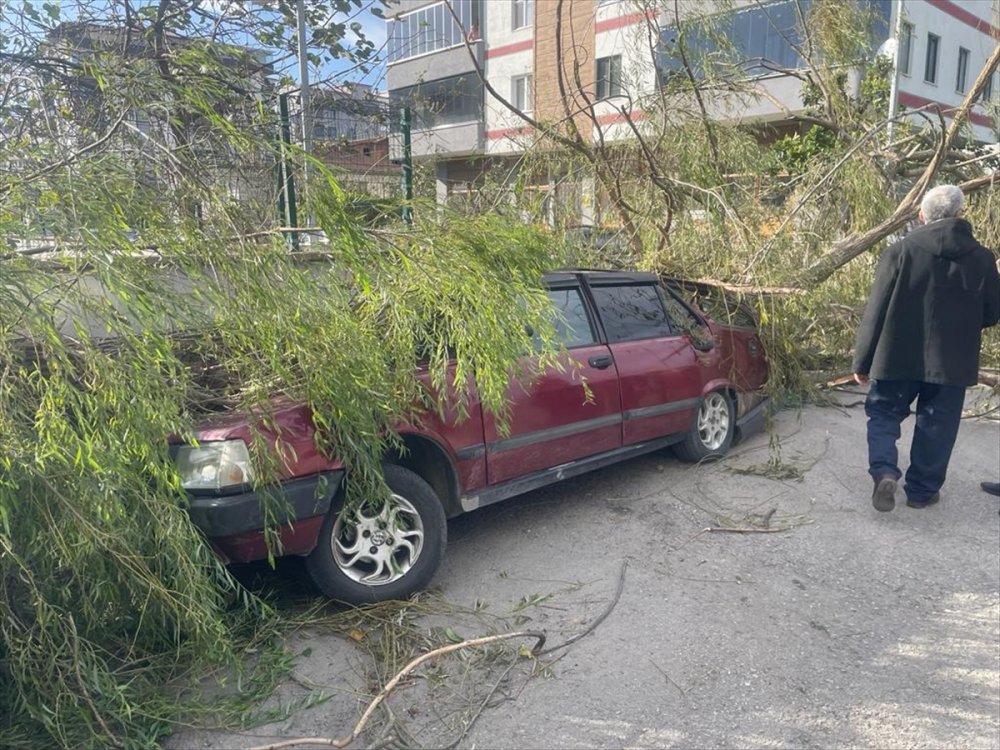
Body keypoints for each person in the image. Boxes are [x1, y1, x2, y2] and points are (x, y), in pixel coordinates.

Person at [852, 184, 1000, 512]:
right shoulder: (983, 258)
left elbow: (876, 309)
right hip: (952, 360)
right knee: (938, 423)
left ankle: (885, 470)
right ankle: (921, 492)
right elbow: (992, 312)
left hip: (896, 354)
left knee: (883, 413)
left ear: (922, 215)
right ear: (960, 214)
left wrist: (862, 360)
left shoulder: (901, 251)